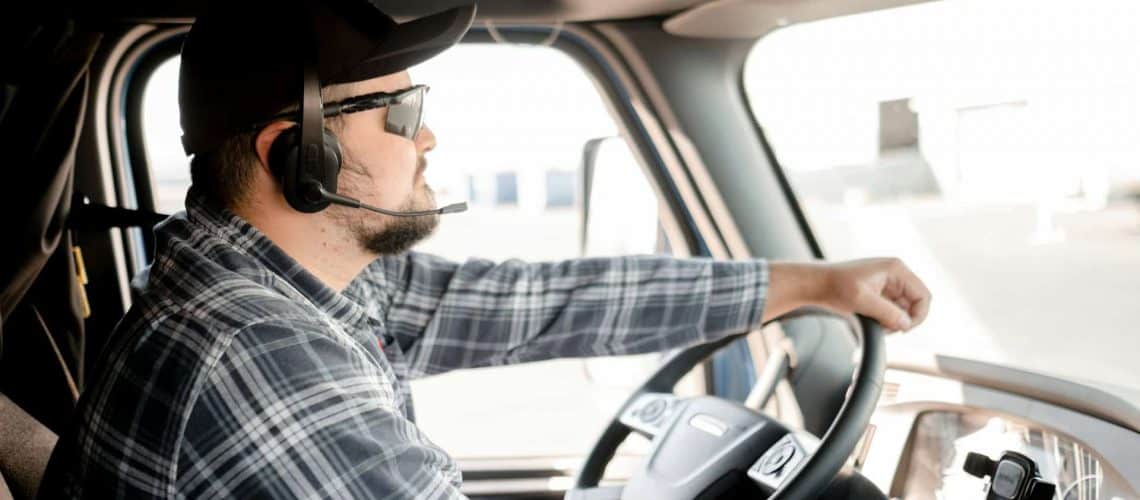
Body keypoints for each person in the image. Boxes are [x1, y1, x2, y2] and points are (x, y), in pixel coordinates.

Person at [40, 0, 931, 497]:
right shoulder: (258, 355)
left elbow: (536, 304)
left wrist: (812, 282)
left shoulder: (289, 284)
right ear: (296, 153)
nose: (427, 141)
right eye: (402, 113)